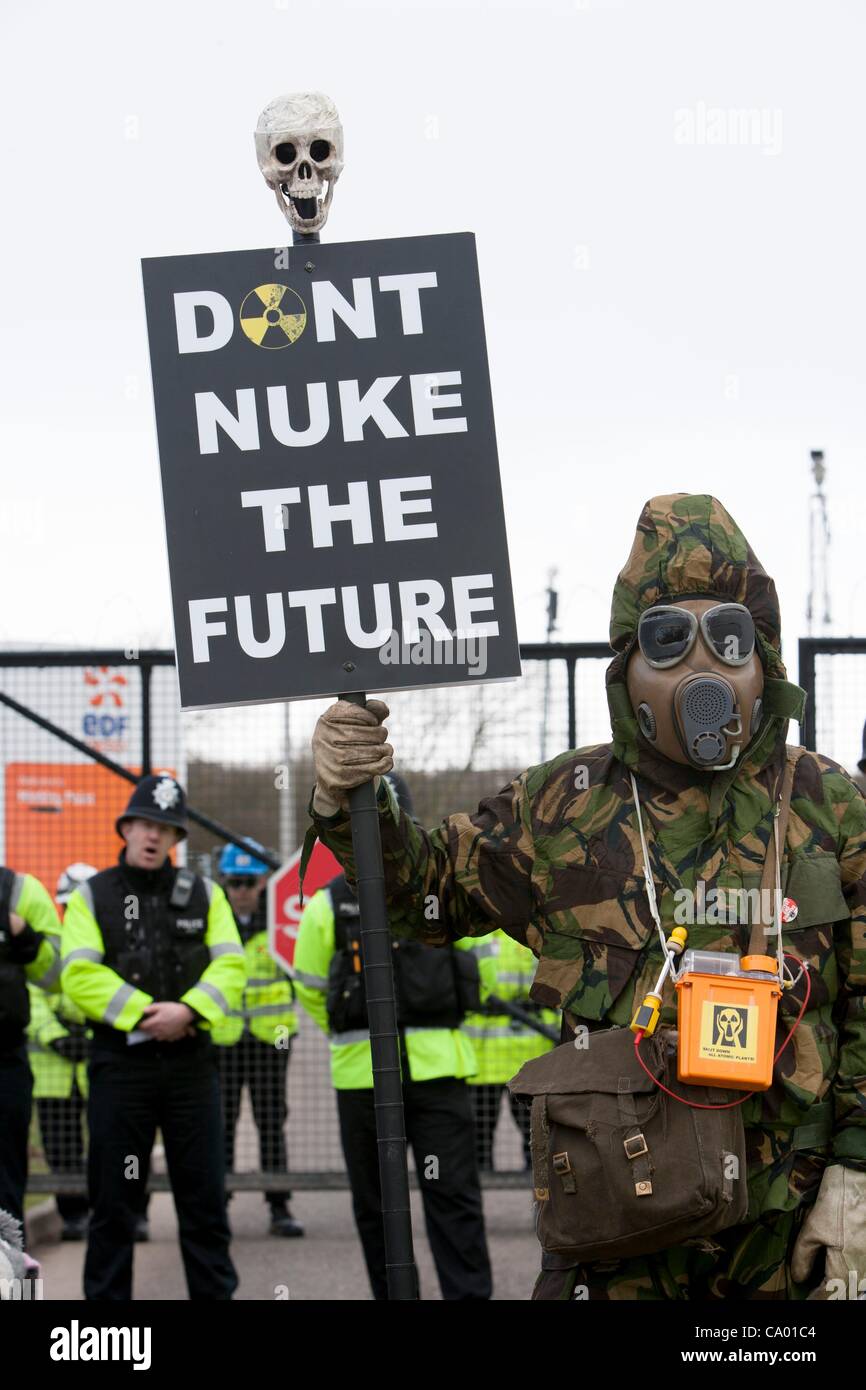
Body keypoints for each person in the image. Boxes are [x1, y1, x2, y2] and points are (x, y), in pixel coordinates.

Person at [306, 493, 866, 1302]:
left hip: (788, 1239)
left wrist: (855, 1182)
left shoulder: (830, 806)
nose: (701, 669)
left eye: (729, 638)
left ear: (765, 659)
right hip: (616, 1244)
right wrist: (352, 800)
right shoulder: (564, 805)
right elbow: (421, 896)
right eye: (669, 639)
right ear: (627, 665)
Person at [294, 772, 492, 1300]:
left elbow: (479, 974)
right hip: (364, 1077)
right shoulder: (327, 905)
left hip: (436, 1071)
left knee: (453, 1197)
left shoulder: (441, 893)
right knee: (378, 1206)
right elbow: (310, 986)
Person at [61, 773, 246, 1301]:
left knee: (205, 1205)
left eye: (164, 828)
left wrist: (188, 1010)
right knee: (114, 1206)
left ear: (175, 839)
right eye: (143, 823)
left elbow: (231, 967)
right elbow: (79, 975)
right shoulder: (91, 896)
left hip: (192, 1069)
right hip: (121, 1069)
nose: (152, 835)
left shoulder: (206, 896)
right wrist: (148, 1014)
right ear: (126, 829)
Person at [213, 842, 303, 1238]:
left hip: (271, 1040)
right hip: (225, 1040)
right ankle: (219, 1203)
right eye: (234, 882)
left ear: (264, 881)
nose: (241, 891)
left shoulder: (280, 921)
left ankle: (279, 1206)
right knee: (221, 1124)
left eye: (248, 882)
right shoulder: (214, 920)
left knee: (271, 1121)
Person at [26, 863, 97, 1241]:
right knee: (60, 1144)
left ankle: (110, 1210)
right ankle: (72, 1216)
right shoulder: (45, 945)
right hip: (52, 1070)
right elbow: (32, 996)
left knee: (109, 1141)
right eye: (70, 906)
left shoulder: (110, 942)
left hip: (98, 1064)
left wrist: (90, 1032)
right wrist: (55, 1035)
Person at [462, 931, 558, 1172]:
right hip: (505, 1053)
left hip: (514, 1053)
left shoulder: (472, 936)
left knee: (534, 1133)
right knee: (481, 1136)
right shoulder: (534, 933)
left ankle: (541, 1192)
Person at [0, 866, 62, 1227]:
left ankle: (14, 1283)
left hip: (5, 1058)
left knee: (7, 1187)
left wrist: (22, 934)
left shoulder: (21, 891)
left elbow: (56, 976)